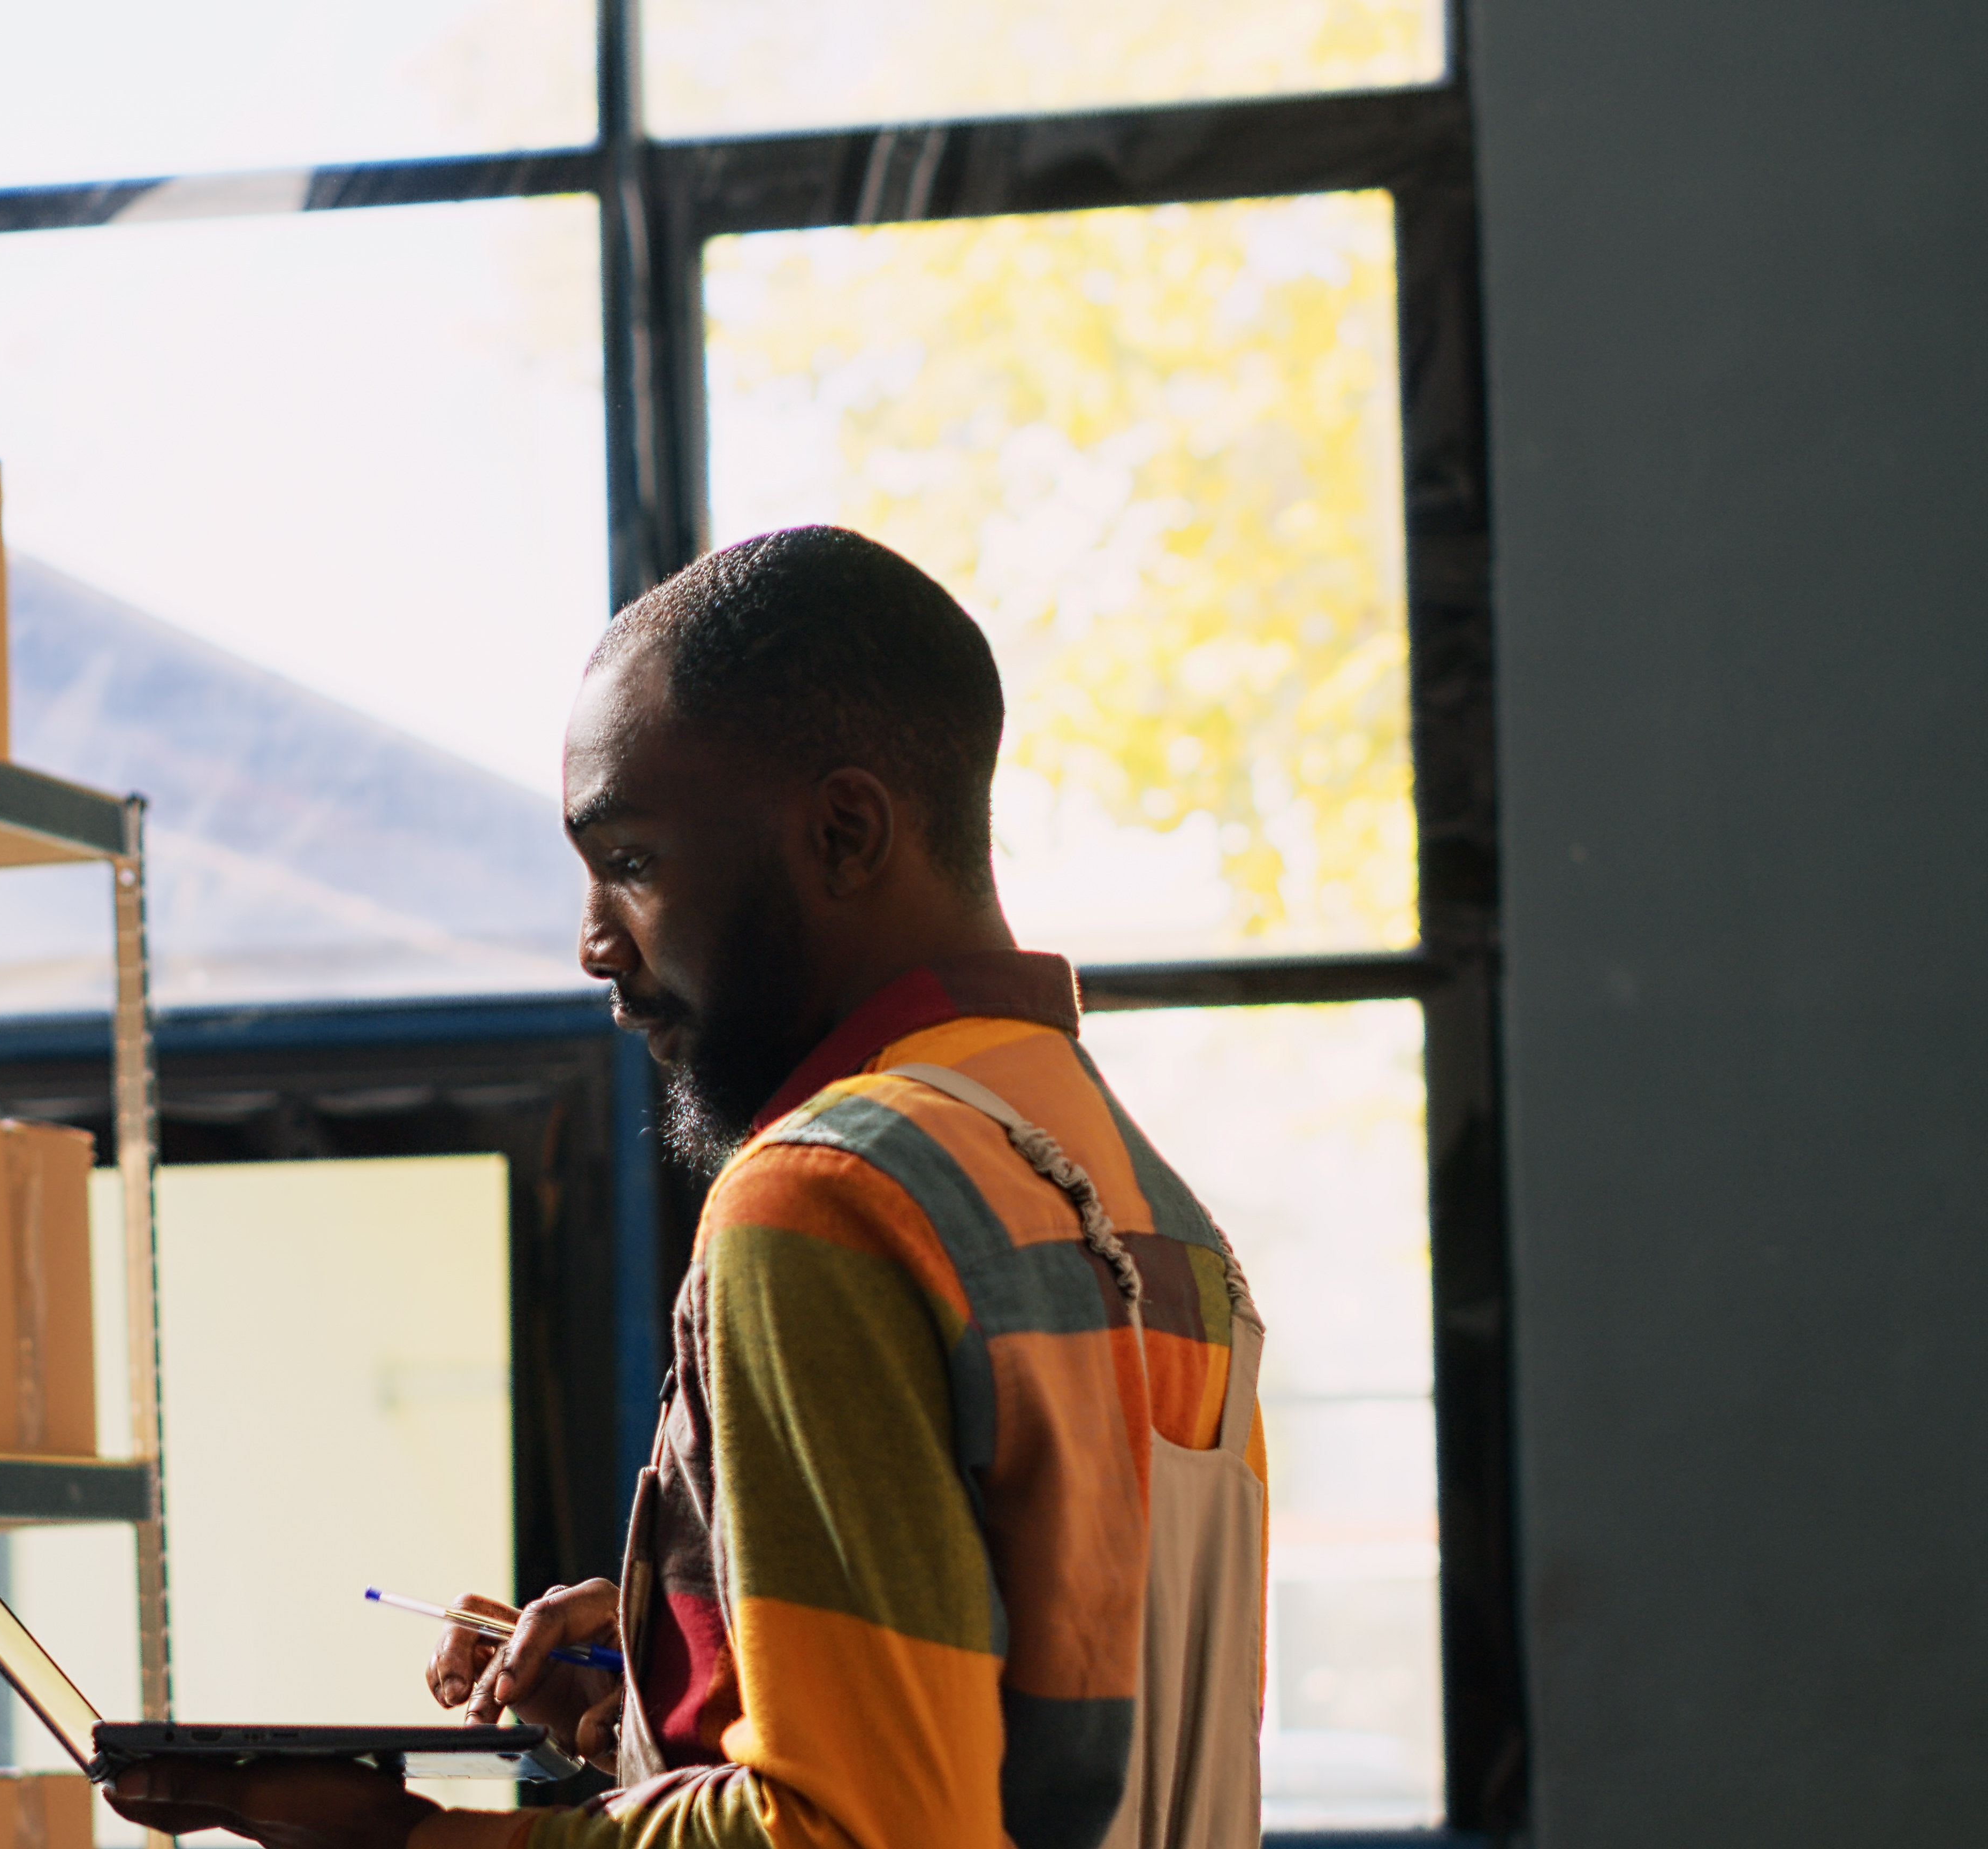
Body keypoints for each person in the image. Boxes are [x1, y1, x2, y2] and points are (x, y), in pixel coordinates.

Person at [107, 526, 1267, 1849]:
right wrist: (687, 1674)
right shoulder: (1145, 1201)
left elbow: (856, 1834)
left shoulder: (827, 1195)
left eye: (634, 863)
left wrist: (407, 1842)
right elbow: (1050, 1740)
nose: (594, 941)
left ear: (844, 832)